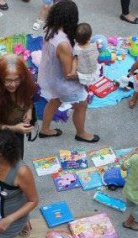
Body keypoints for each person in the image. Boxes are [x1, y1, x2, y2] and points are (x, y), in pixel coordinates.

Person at [37, 0, 99, 143]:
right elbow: (68, 74)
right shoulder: (63, 44)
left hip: (50, 76)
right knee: (82, 105)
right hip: (62, 82)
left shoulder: (50, 28)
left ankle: (45, 130)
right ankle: (81, 133)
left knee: (54, 100)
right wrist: (89, 75)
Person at [71, 23, 100, 88]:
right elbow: (96, 54)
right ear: (90, 37)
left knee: (77, 60)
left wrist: (73, 72)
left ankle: (84, 85)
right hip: (93, 70)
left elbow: (75, 61)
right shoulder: (94, 45)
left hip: (83, 73)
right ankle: (89, 85)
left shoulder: (77, 49)